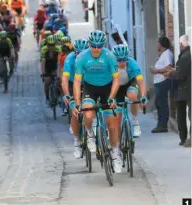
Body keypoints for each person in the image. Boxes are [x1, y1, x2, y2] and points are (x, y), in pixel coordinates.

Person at [73, 30, 122, 173]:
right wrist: (77, 102)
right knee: (87, 114)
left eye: (99, 46)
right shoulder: (82, 57)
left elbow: (117, 79)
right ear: (89, 44)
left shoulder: (109, 56)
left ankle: (114, 154)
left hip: (107, 87)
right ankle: (89, 133)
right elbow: (77, 81)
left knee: (112, 123)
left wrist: (112, 97)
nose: (96, 49)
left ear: (103, 45)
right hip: (90, 88)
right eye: (93, 45)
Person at [112, 44, 148, 138]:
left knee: (132, 96)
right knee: (118, 116)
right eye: (119, 60)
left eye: (124, 59)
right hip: (117, 86)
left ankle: (135, 123)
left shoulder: (132, 64)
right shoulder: (110, 64)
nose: (122, 62)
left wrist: (143, 96)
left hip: (129, 83)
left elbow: (140, 82)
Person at [62, 38, 89, 158]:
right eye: (78, 53)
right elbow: (64, 79)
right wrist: (67, 94)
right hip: (73, 83)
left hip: (88, 83)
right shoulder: (69, 59)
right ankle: (77, 142)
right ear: (74, 52)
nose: (81, 56)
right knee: (75, 112)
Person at [164, 35, 191, 146]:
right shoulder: (187, 55)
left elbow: (181, 75)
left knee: (181, 115)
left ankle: (184, 138)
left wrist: (171, 73)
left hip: (183, 90)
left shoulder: (185, 56)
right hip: (185, 89)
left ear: (181, 44)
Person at [150, 36, 174, 133]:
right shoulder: (163, 54)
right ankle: (160, 124)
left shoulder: (167, 54)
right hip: (159, 82)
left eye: (158, 43)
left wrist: (156, 71)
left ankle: (163, 125)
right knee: (158, 103)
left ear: (161, 44)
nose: (157, 45)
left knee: (162, 103)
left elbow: (169, 67)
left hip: (163, 81)